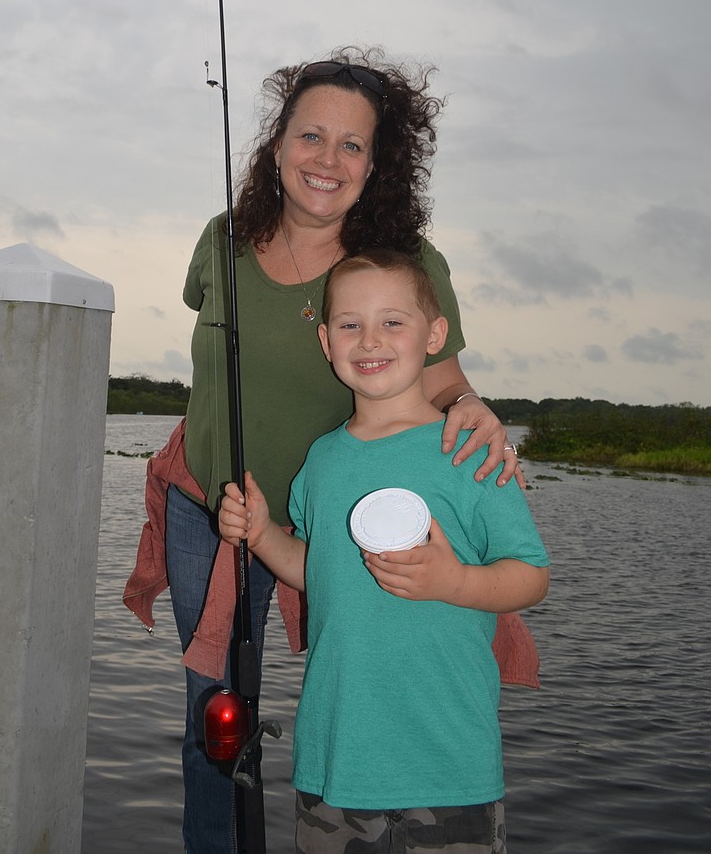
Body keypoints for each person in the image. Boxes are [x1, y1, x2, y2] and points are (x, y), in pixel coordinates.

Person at [141, 49, 521, 854]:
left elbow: (447, 384)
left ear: (376, 164)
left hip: (335, 526)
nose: (328, 158)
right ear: (277, 144)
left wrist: (474, 408)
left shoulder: (404, 262)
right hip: (208, 511)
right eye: (311, 135)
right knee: (213, 720)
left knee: (362, 692)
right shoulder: (221, 240)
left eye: (353, 144)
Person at [219, 250, 549, 854]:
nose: (370, 340)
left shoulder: (472, 450)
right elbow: (318, 572)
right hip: (335, 764)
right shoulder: (321, 461)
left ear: (435, 335)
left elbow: (531, 575)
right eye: (350, 324)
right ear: (326, 341)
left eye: (393, 322)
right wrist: (262, 535)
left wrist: (455, 582)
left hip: (452, 765)